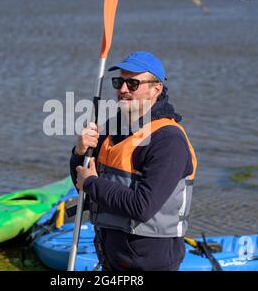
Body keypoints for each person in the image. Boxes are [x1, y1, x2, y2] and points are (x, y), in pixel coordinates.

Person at [70, 51, 197, 271]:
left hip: (149, 262)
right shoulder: (113, 128)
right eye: (119, 82)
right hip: (111, 257)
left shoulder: (168, 141)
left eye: (133, 83)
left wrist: (92, 183)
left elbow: (142, 207)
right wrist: (79, 153)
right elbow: (81, 183)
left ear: (155, 89)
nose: (123, 90)